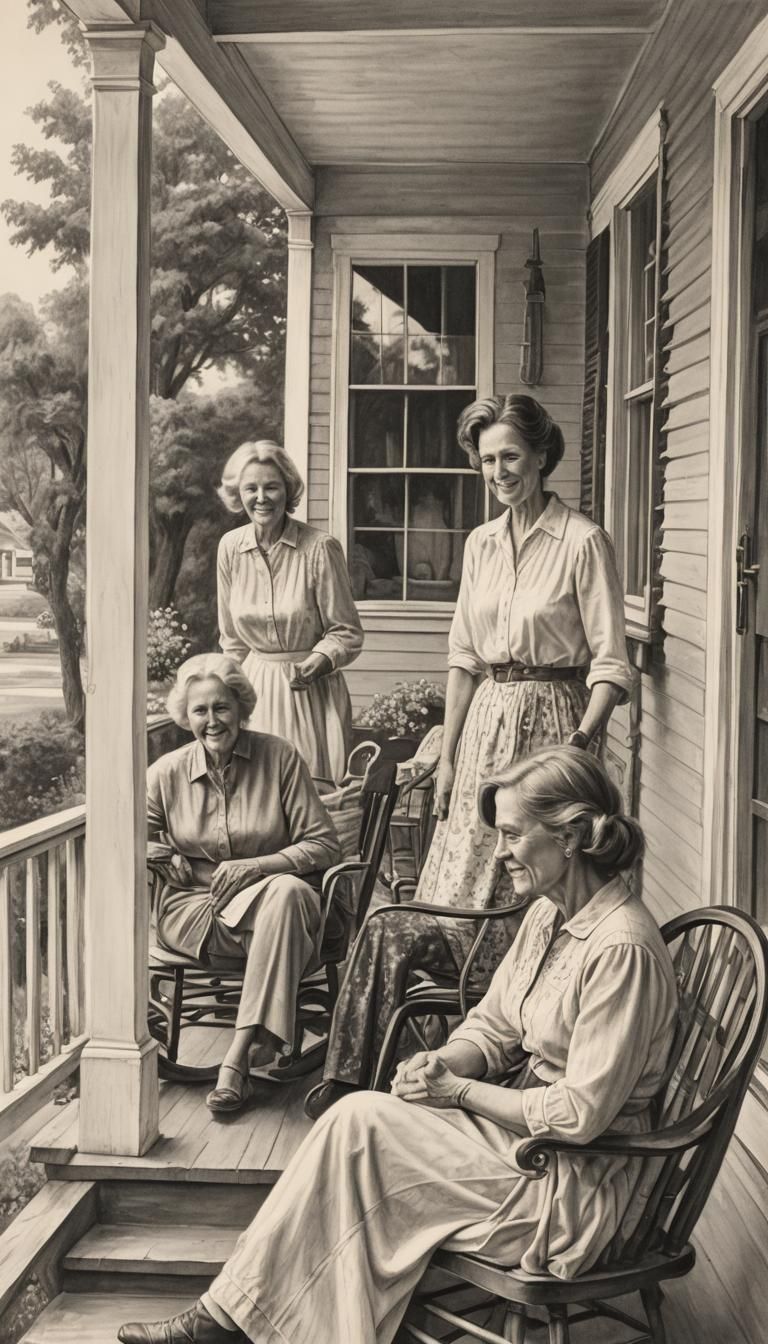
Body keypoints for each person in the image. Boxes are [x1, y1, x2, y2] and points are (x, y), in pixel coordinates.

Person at [118, 746, 677, 1344]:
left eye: (512, 834)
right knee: (353, 1129)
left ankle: (226, 1322)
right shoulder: (549, 915)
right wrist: (445, 1061)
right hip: (521, 1144)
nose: (500, 852)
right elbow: (492, 1025)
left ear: (569, 838)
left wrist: (459, 1091)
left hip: (568, 1184)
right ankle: (237, 1320)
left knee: (358, 1128)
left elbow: (578, 1115)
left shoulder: (621, 951)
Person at [305, 393, 633, 1118]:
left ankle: (500, 1059)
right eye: (486, 461)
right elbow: (461, 655)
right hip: (484, 719)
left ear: (542, 456)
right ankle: (409, 1073)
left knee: (529, 875)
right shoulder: (483, 542)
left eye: (510, 456)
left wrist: (579, 742)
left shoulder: (582, 540)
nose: (498, 472)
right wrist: (448, 754)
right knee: (458, 883)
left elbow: (612, 663)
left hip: (553, 718)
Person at [148, 653, 340, 1114]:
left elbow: (325, 846)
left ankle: (235, 1058)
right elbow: (122, 840)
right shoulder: (166, 773)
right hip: (199, 911)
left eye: (222, 708)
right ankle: (269, 1037)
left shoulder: (280, 757)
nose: (212, 721)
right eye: (200, 711)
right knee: (286, 908)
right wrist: (163, 854)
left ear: (241, 708)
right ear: (184, 716)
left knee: (289, 893)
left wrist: (259, 866)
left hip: (276, 910)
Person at [217, 440, 363, 783]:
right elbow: (232, 642)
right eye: (251, 488)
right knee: (255, 793)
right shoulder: (230, 548)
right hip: (254, 692)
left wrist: (321, 659)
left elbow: (347, 632)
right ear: (238, 494)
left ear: (289, 489)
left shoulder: (319, 548)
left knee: (307, 793)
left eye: (272, 487)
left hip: (309, 692)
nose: (261, 497)